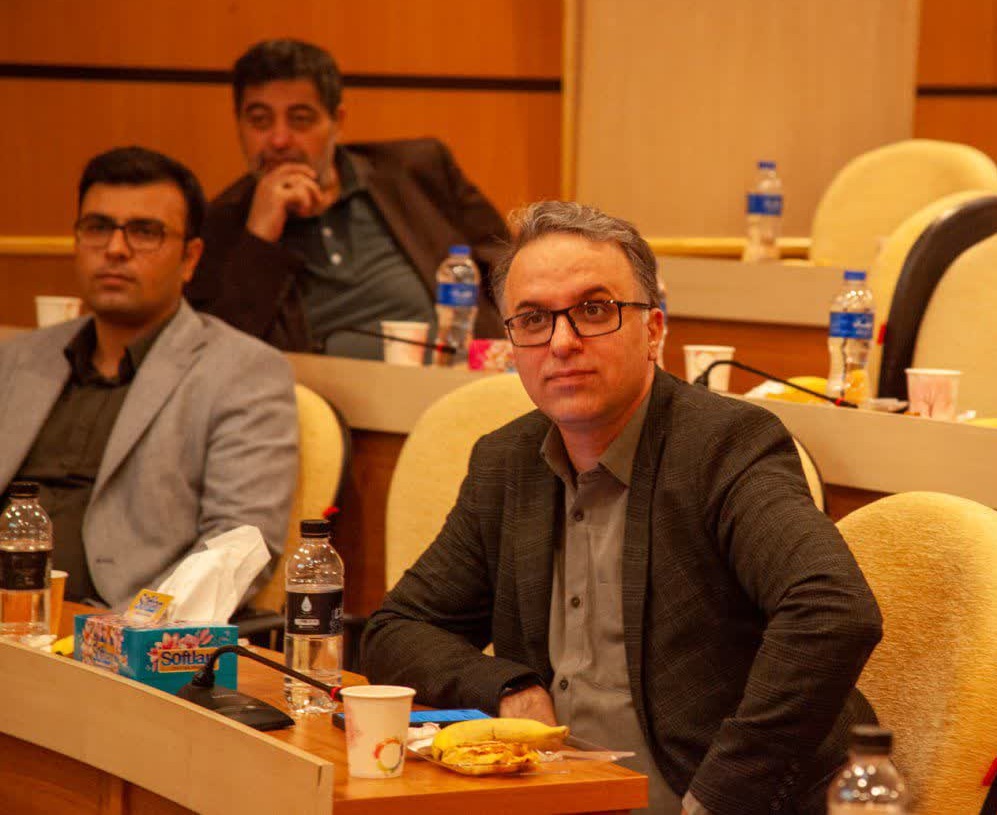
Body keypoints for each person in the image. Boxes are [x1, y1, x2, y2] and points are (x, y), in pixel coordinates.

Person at [361, 201, 883, 814]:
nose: (562, 342)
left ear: (654, 330)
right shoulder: (505, 464)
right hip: (562, 798)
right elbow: (397, 629)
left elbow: (833, 611)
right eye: (533, 319)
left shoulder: (725, 446)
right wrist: (508, 687)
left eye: (593, 310)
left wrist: (718, 799)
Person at [0, 146, 298, 610]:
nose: (115, 249)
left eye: (144, 232)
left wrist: (128, 630)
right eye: (97, 227)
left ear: (190, 258)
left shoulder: (244, 373)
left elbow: (236, 548)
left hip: (112, 630)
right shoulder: (16, 359)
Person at [186, 38, 509, 358]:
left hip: (452, 375)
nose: (279, 140)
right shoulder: (220, 225)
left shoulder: (415, 170)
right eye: (260, 120)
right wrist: (258, 241)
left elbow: (505, 260)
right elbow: (215, 357)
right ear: (239, 124)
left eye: (300, 119)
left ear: (337, 122)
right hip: (321, 389)